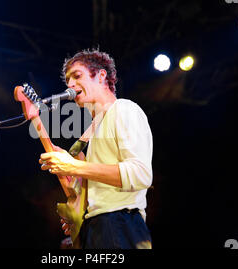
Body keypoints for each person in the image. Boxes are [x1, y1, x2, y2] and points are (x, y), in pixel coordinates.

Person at [39, 48, 153, 249]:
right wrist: (78, 217)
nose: (70, 85)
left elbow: (141, 174)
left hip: (120, 223)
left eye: (77, 76)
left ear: (101, 76)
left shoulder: (124, 109)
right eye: (67, 81)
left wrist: (74, 167)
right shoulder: (92, 131)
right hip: (99, 227)